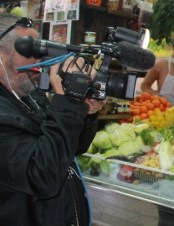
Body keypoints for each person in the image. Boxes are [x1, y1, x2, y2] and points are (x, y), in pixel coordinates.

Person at [0, 15, 106, 225]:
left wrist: (84, 112)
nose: (38, 60)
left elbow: (69, 149)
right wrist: (68, 106)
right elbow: (42, 176)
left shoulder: (29, 96)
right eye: (29, 50)